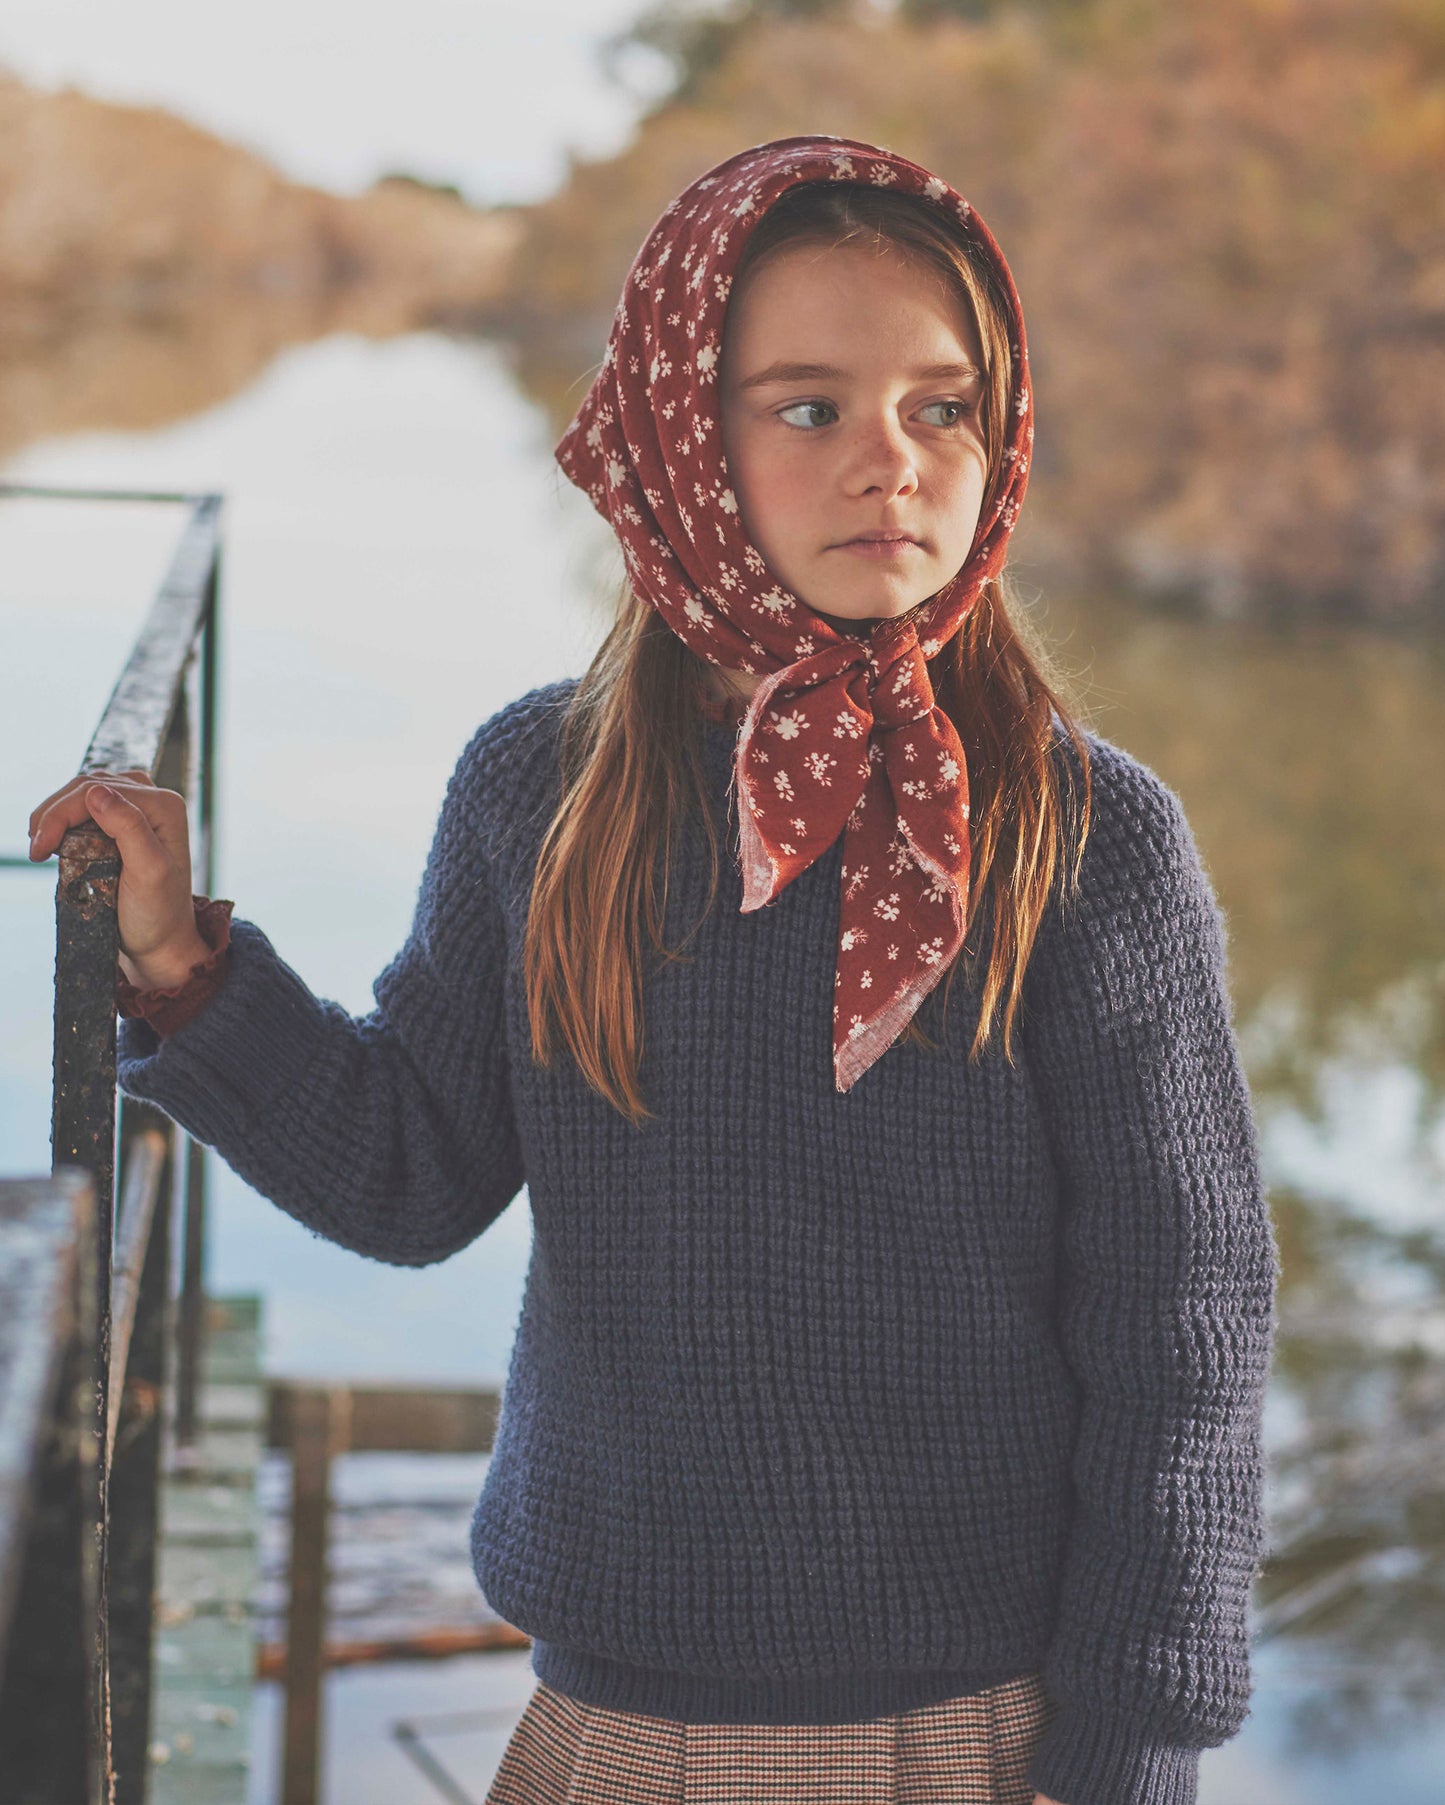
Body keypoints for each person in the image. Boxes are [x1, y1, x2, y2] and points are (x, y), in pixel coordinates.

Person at [26, 135, 1280, 1805]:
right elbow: (410, 1168)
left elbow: (1182, 1322)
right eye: (808, 405)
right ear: (683, 442)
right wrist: (178, 960)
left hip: (975, 1731)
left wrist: (1131, 1744)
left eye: (941, 406)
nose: (889, 463)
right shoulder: (542, 792)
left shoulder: (1082, 836)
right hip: (616, 1727)